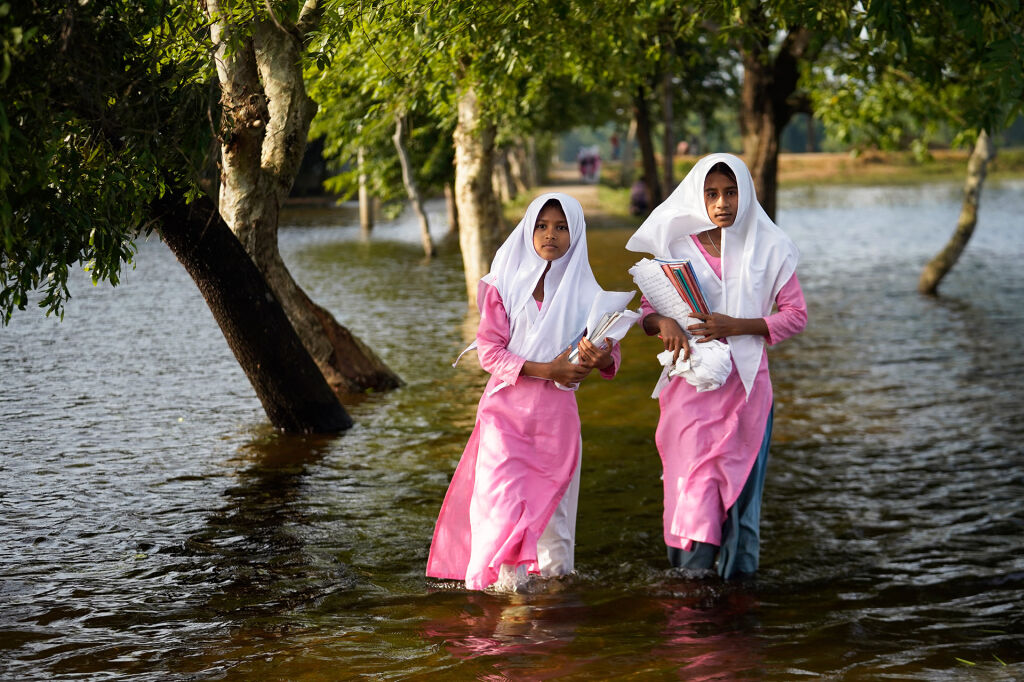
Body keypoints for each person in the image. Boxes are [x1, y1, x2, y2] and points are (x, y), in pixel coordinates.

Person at [625, 153, 807, 580]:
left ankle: (739, 598)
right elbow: (647, 313)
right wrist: (663, 323)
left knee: (742, 501)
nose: (722, 202)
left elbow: (795, 315)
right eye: (712, 194)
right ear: (699, 197)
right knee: (690, 491)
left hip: (747, 393)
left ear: (744, 195)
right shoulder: (677, 249)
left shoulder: (770, 247)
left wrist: (736, 325)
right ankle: (690, 595)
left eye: (730, 192)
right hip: (690, 390)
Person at [427, 192, 621, 591]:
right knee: (501, 509)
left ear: (576, 234)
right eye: (542, 225)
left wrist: (597, 358)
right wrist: (547, 369)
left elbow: (610, 355)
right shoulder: (503, 286)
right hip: (504, 418)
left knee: (556, 523)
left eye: (562, 227)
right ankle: (504, 604)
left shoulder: (590, 294)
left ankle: (549, 618)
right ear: (529, 230)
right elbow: (489, 352)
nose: (551, 234)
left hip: (557, 422)